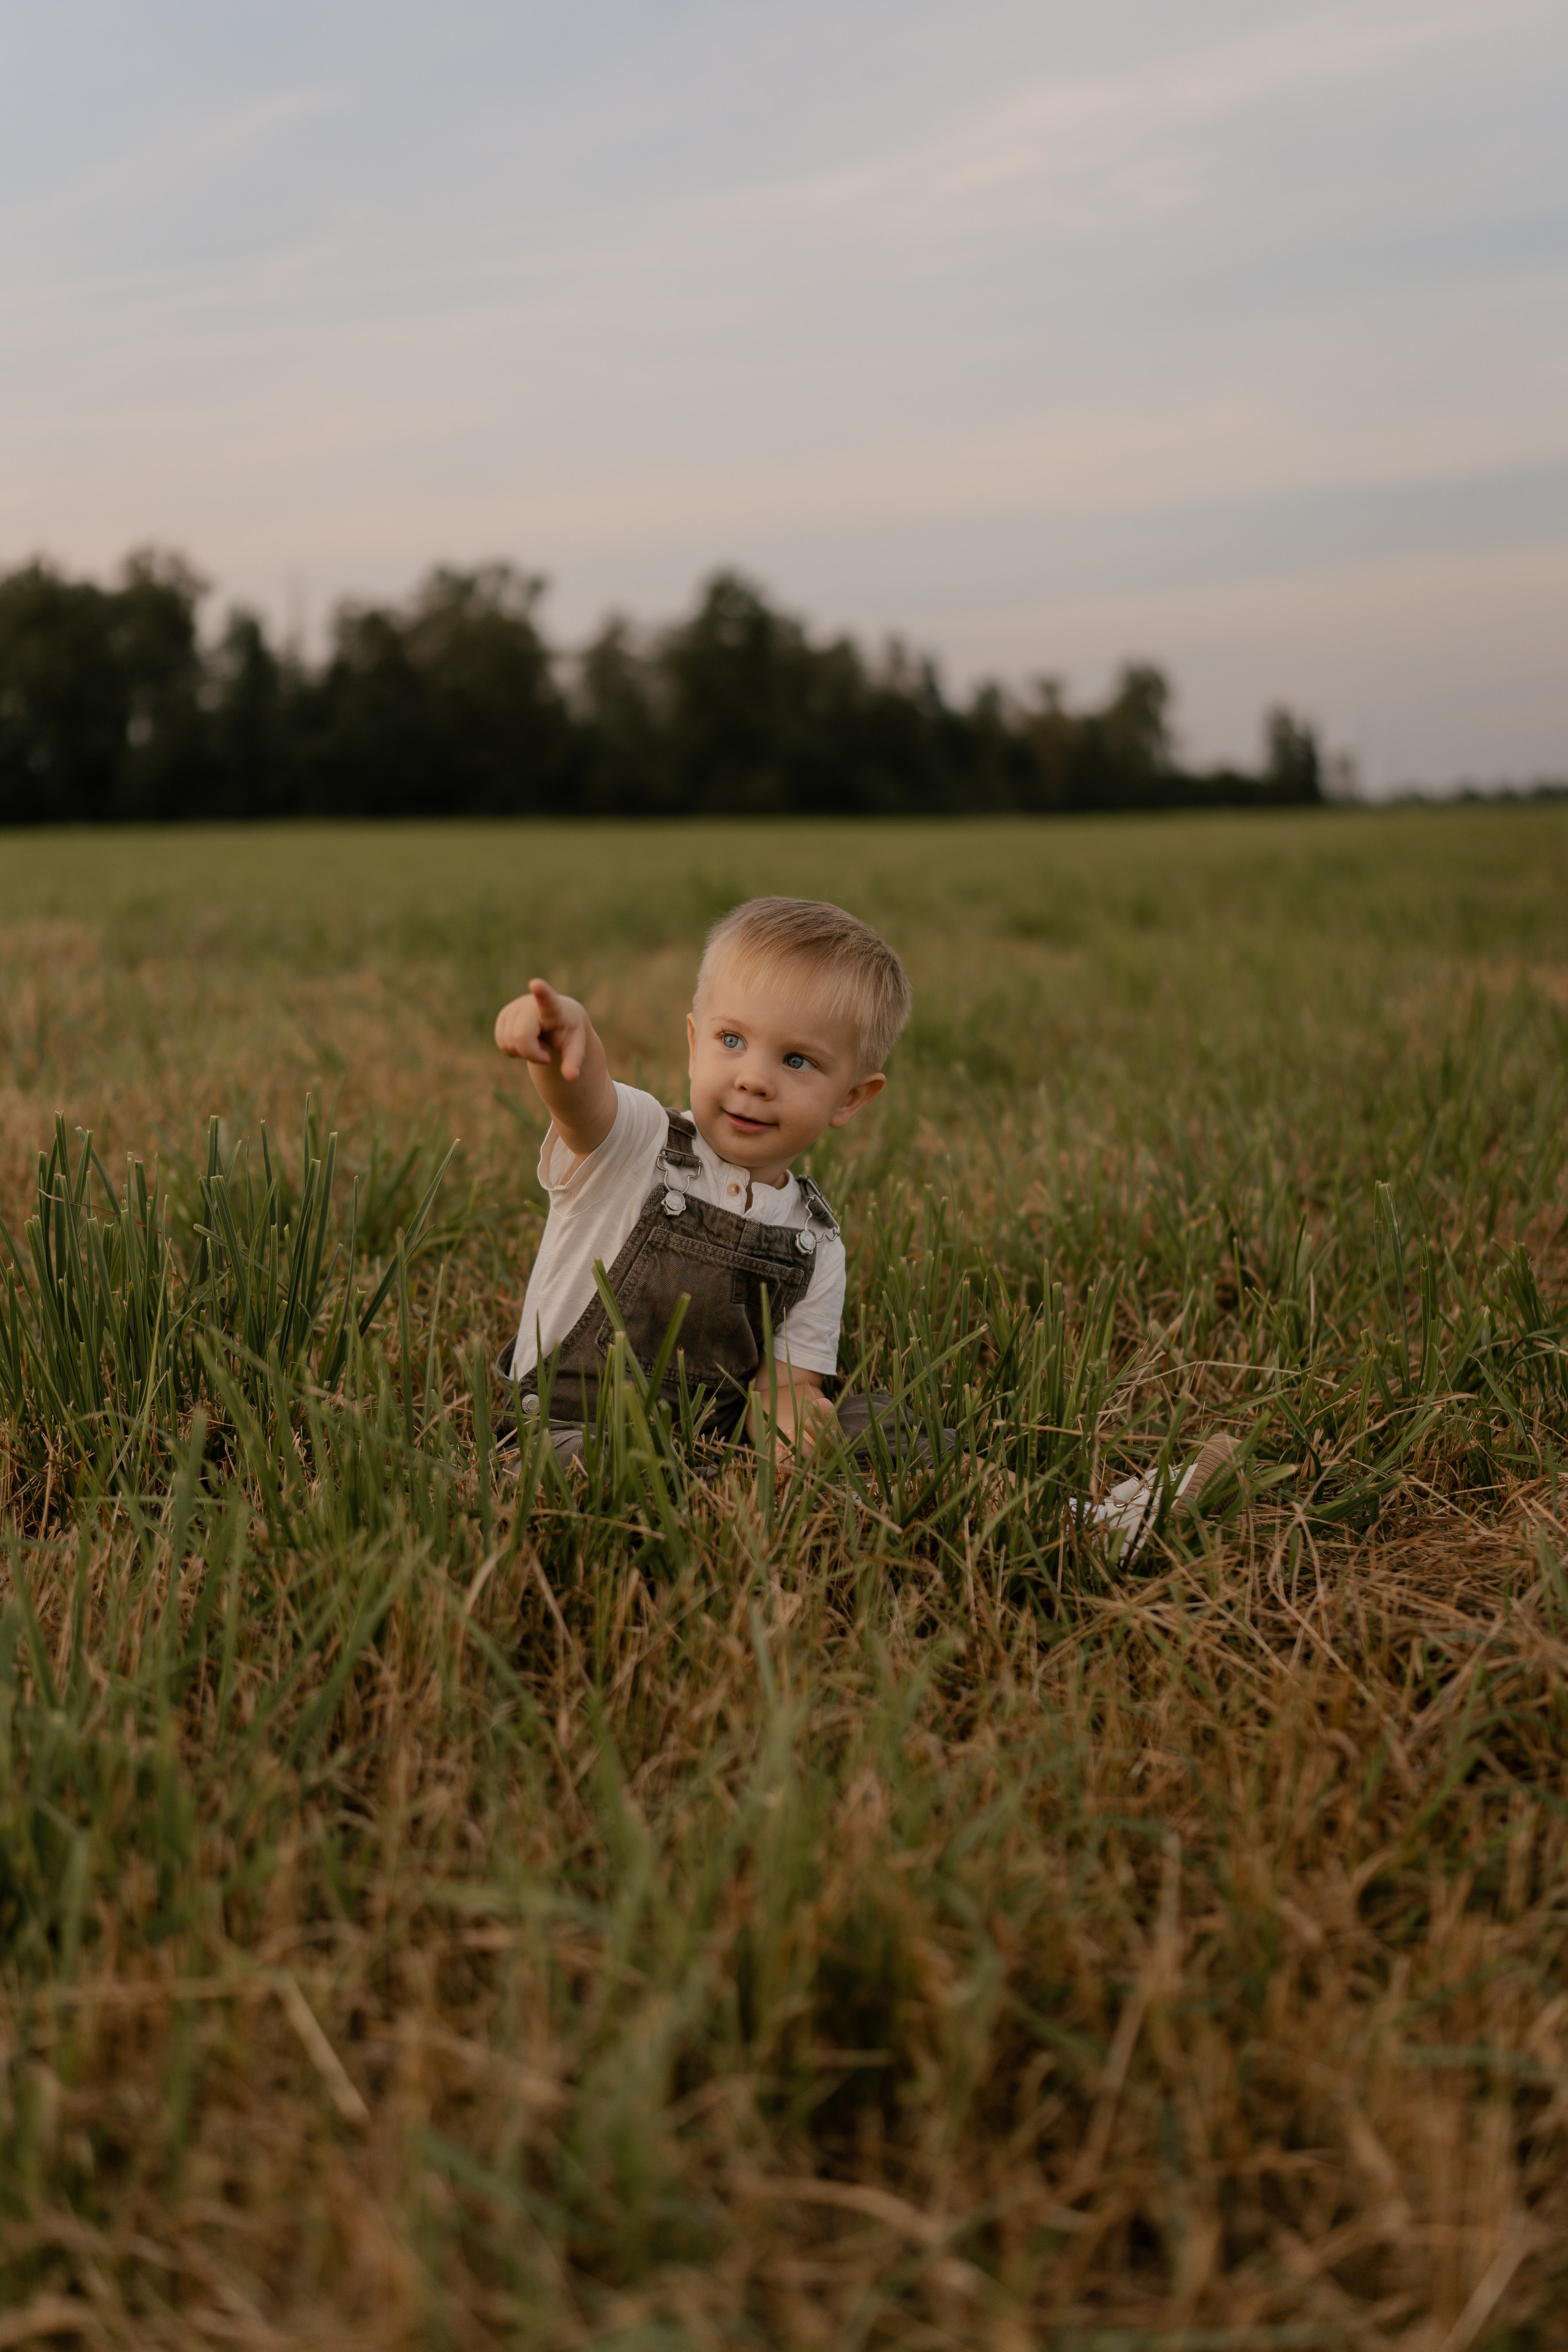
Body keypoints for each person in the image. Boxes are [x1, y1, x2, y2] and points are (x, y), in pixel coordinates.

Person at [492, 895, 919, 1469]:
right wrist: (564, 1036)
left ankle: (1060, 1507)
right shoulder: (639, 1140)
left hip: (709, 1434)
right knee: (608, 1466)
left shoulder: (815, 1241)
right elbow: (583, 1101)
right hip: (571, 1423)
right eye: (732, 1041)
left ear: (851, 1098)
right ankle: (680, 1481)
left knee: (883, 1423)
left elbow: (780, 1390)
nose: (754, 1079)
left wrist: (791, 1431)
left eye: (796, 1061)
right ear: (695, 1046)